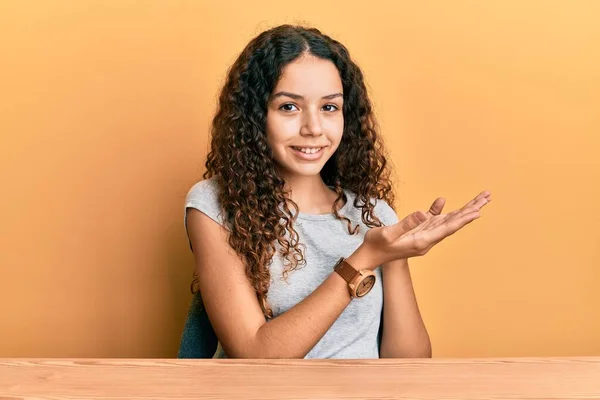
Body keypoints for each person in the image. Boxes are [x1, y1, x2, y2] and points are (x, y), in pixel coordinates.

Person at [183, 24, 491, 359]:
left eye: (329, 107)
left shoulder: (373, 214)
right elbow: (256, 355)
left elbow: (409, 364)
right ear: (255, 117)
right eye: (289, 107)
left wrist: (395, 256)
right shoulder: (214, 206)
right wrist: (364, 259)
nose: (313, 128)